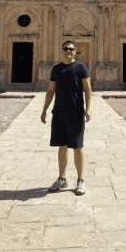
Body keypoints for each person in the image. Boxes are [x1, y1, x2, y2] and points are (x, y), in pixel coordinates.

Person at [40, 41, 92, 195]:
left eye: (71, 49)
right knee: (61, 146)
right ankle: (62, 179)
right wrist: (44, 110)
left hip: (75, 113)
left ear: (75, 51)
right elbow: (50, 91)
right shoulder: (56, 69)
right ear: (62, 51)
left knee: (77, 146)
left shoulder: (81, 67)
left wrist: (88, 109)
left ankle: (80, 180)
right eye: (65, 49)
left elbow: (88, 90)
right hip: (59, 113)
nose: (68, 51)